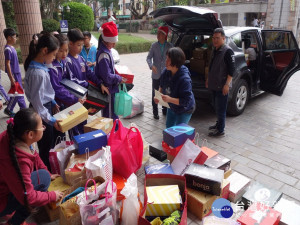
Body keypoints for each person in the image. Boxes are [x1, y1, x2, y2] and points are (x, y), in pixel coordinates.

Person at [0, 108, 63, 225]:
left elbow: (34, 155)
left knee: (44, 175)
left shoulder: (12, 134)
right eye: (42, 127)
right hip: (2, 198)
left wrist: (48, 172)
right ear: (30, 134)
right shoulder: (21, 161)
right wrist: (51, 195)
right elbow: (28, 197)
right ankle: (14, 222)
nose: (44, 128)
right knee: (43, 182)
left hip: (4, 186)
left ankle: (8, 209)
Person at [24, 33, 63, 170]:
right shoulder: (37, 73)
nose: (53, 59)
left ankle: (49, 170)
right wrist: (52, 121)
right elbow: (38, 104)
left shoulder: (40, 67)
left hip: (45, 109)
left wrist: (52, 102)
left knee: (49, 143)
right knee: (46, 147)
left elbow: (44, 92)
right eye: (53, 55)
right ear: (45, 51)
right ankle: (47, 173)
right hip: (40, 113)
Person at [64, 28, 107, 133]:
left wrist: (100, 83)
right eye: (78, 45)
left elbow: (90, 74)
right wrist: (85, 83)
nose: (81, 47)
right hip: (73, 100)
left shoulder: (81, 59)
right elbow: (70, 80)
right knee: (74, 127)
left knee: (83, 123)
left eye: (82, 45)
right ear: (70, 44)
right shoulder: (67, 61)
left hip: (83, 98)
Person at [154, 47, 195, 128]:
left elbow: (186, 101)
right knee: (169, 129)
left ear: (176, 61)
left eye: (168, 59)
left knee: (179, 133)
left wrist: (169, 99)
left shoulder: (184, 79)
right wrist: (158, 95)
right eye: (166, 58)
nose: (166, 61)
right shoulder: (166, 71)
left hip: (185, 109)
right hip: (172, 106)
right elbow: (161, 85)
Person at [206, 28, 236, 137]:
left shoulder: (228, 51)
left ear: (223, 38)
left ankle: (221, 130)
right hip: (214, 84)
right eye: (213, 38)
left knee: (221, 108)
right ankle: (218, 124)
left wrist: (227, 84)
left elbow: (232, 70)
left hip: (222, 86)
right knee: (215, 106)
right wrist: (208, 79)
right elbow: (212, 67)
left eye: (217, 38)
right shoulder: (215, 49)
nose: (215, 40)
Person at [95, 21, 123, 120]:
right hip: (108, 90)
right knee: (110, 117)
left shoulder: (106, 51)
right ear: (106, 40)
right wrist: (119, 78)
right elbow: (107, 76)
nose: (114, 45)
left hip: (110, 89)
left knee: (110, 115)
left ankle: (112, 132)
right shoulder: (104, 54)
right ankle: (112, 134)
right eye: (113, 42)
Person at [146, 26, 173, 120]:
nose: (157, 35)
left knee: (165, 92)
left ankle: (164, 109)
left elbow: (173, 59)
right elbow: (148, 57)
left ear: (165, 35)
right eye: (157, 33)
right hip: (156, 74)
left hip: (166, 74)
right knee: (155, 93)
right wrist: (151, 65)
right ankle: (155, 112)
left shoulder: (170, 46)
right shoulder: (154, 45)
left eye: (160, 33)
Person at [3, 28, 27, 117]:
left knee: (17, 92)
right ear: (9, 38)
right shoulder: (7, 49)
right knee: (19, 93)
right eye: (14, 37)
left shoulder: (12, 48)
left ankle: (10, 109)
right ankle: (23, 110)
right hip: (14, 75)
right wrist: (11, 78)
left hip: (17, 73)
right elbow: (7, 64)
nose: (15, 39)